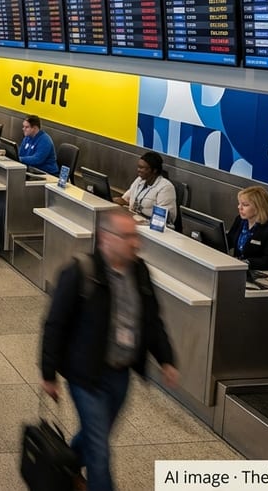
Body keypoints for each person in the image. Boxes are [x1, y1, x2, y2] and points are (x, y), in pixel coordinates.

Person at [40, 208, 178, 491]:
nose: (135, 243)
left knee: (95, 436)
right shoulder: (81, 272)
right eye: (127, 237)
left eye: (135, 236)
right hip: (85, 375)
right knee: (100, 452)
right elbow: (55, 323)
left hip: (120, 374)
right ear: (106, 238)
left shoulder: (139, 272)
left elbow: (151, 319)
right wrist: (48, 373)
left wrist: (166, 359)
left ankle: (66, 464)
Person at [227, 186, 268, 275]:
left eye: (245, 205)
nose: (239, 207)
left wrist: (246, 262)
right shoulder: (241, 221)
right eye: (239, 203)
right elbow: (229, 241)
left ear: (259, 207)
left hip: (262, 274)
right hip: (239, 270)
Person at [113, 151, 177, 223]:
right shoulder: (139, 180)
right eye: (138, 167)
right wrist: (112, 200)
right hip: (134, 219)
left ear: (154, 170)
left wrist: (143, 222)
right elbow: (125, 200)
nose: (138, 170)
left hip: (152, 226)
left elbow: (163, 218)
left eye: (142, 168)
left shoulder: (165, 187)